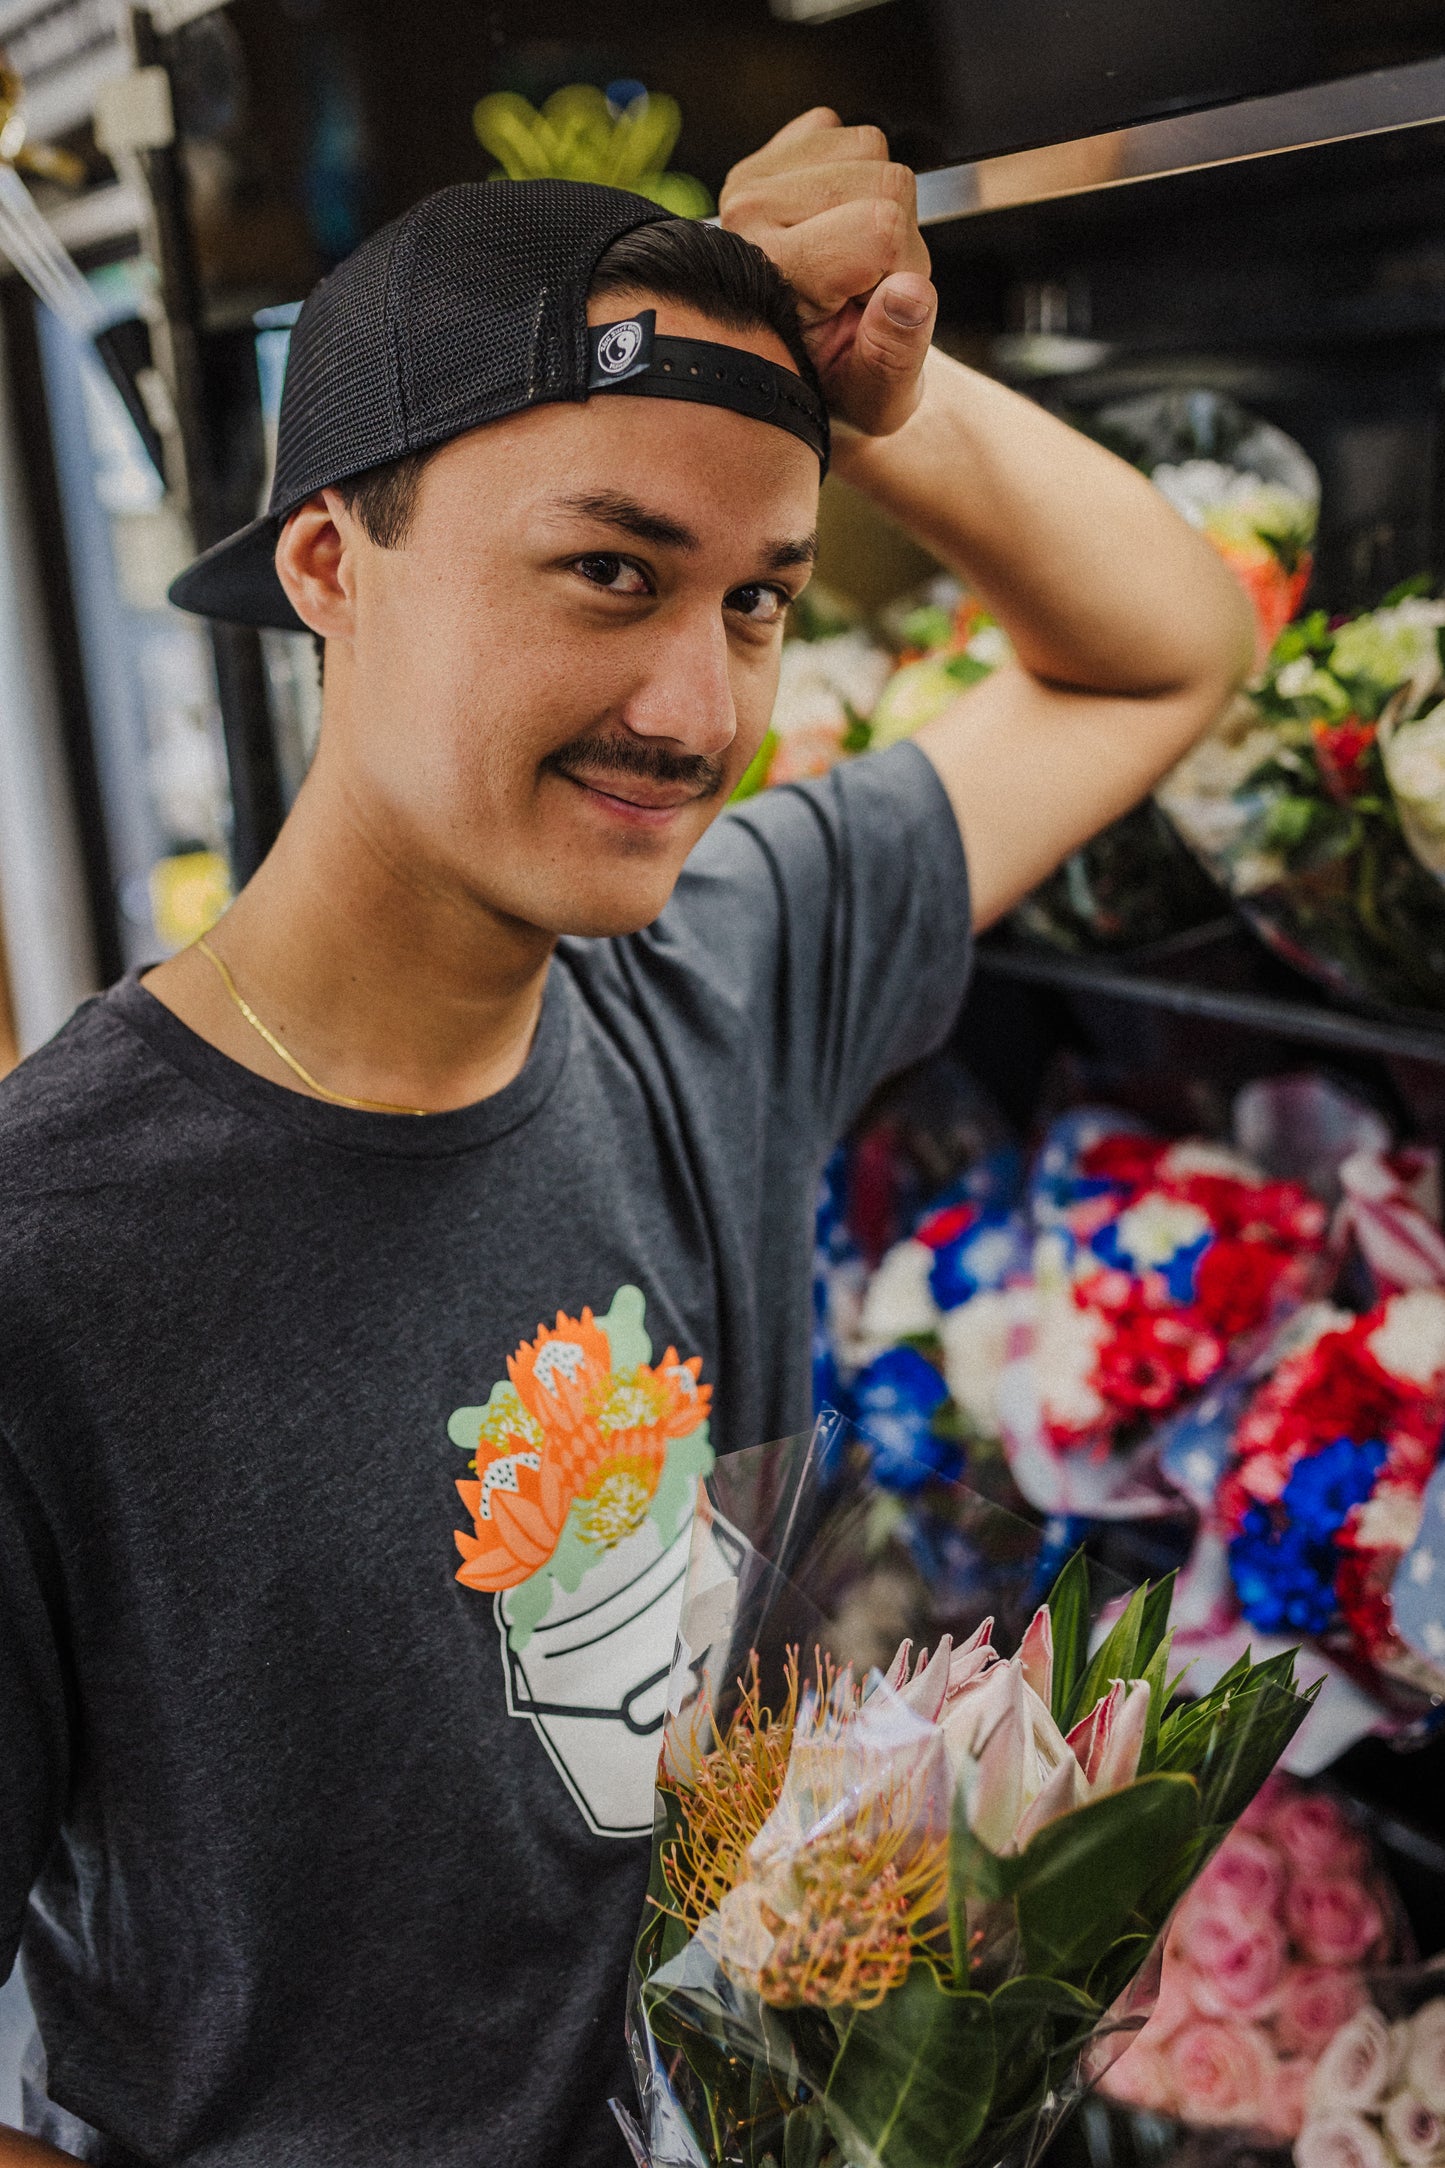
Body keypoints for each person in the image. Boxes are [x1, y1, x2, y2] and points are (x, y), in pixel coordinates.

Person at [0, 111, 1250, 2168]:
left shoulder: (716, 973)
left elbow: (1166, 647)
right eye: (610, 569)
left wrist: (887, 393)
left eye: (759, 600)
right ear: (327, 557)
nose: (696, 704)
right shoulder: (57, 1266)